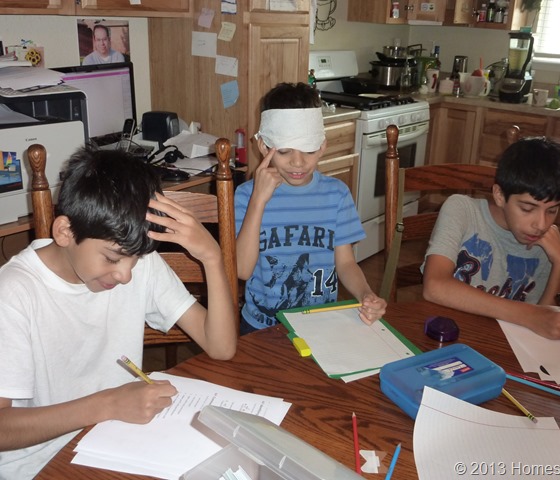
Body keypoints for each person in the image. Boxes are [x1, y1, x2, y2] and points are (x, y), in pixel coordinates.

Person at [0, 148, 237, 478]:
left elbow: (221, 347)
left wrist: (211, 256)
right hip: (39, 465)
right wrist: (108, 404)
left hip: (117, 444)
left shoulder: (138, 263)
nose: (126, 275)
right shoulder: (14, 293)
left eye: (134, 260)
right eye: (112, 258)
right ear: (65, 232)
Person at [235, 82, 386, 334]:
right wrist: (258, 201)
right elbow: (242, 269)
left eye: (309, 149)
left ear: (322, 146)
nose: (298, 162)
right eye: (284, 151)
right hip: (261, 327)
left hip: (321, 324)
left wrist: (365, 293)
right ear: (263, 146)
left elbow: (345, 262)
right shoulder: (245, 196)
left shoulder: (337, 194)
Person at [422, 136, 560, 340]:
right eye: (527, 209)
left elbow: (545, 323)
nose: (541, 224)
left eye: (552, 211)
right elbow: (434, 286)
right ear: (499, 195)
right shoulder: (462, 210)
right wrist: (529, 315)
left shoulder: (546, 243)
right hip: (444, 335)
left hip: (500, 342)